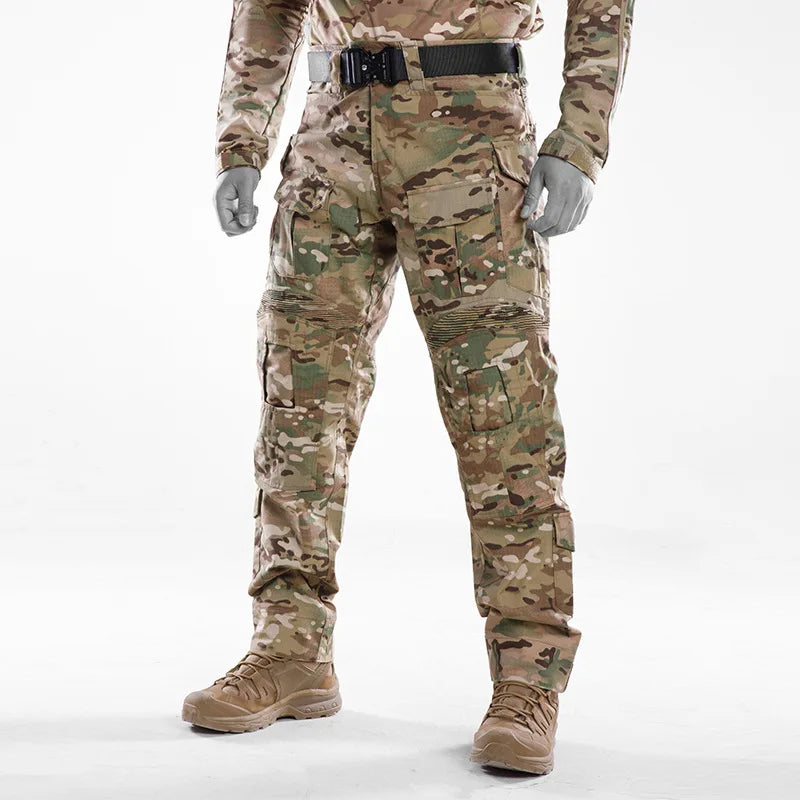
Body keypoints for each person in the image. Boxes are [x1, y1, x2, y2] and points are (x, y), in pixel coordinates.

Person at [183, 0, 634, 775]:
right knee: (300, 407)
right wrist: (241, 139)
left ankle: (528, 675)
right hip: (329, 144)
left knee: (502, 415)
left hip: (471, 137)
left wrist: (581, 139)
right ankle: (291, 649)